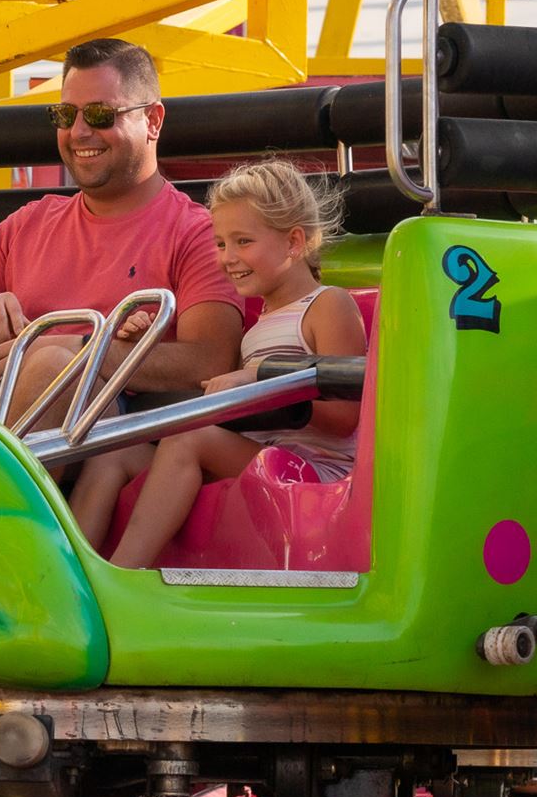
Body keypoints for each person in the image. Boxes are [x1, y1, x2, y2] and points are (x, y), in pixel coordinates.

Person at [0, 39, 244, 424]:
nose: (79, 132)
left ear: (153, 121)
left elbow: (209, 359)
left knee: (53, 367)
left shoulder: (197, 233)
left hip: (101, 425)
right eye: (65, 115)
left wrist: (78, 348)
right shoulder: (28, 223)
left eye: (100, 115)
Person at [67, 160, 365, 568]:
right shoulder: (258, 321)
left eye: (243, 242)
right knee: (112, 452)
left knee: (189, 439)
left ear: (294, 242)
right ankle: (71, 573)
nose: (228, 258)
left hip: (313, 472)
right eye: (221, 243)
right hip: (259, 457)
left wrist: (260, 377)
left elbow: (345, 415)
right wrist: (143, 340)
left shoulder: (327, 305)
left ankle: (121, 573)